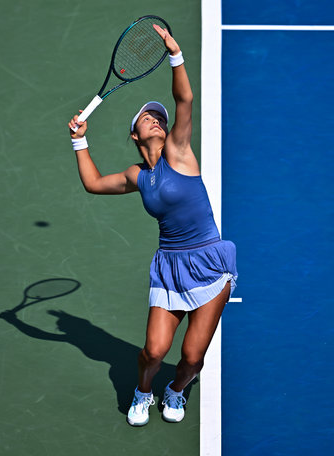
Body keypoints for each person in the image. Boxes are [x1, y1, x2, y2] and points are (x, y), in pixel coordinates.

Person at [67, 24, 237, 426]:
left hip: (209, 262)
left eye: (159, 117)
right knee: (154, 352)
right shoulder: (136, 176)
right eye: (148, 117)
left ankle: (175, 391)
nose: (158, 120)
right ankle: (144, 391)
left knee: (192, 357)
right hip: (169, 265)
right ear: (134, 133)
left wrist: (175, 55)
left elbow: (185, 98)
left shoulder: (179, 151)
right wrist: (79, 140)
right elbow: (93, 184)